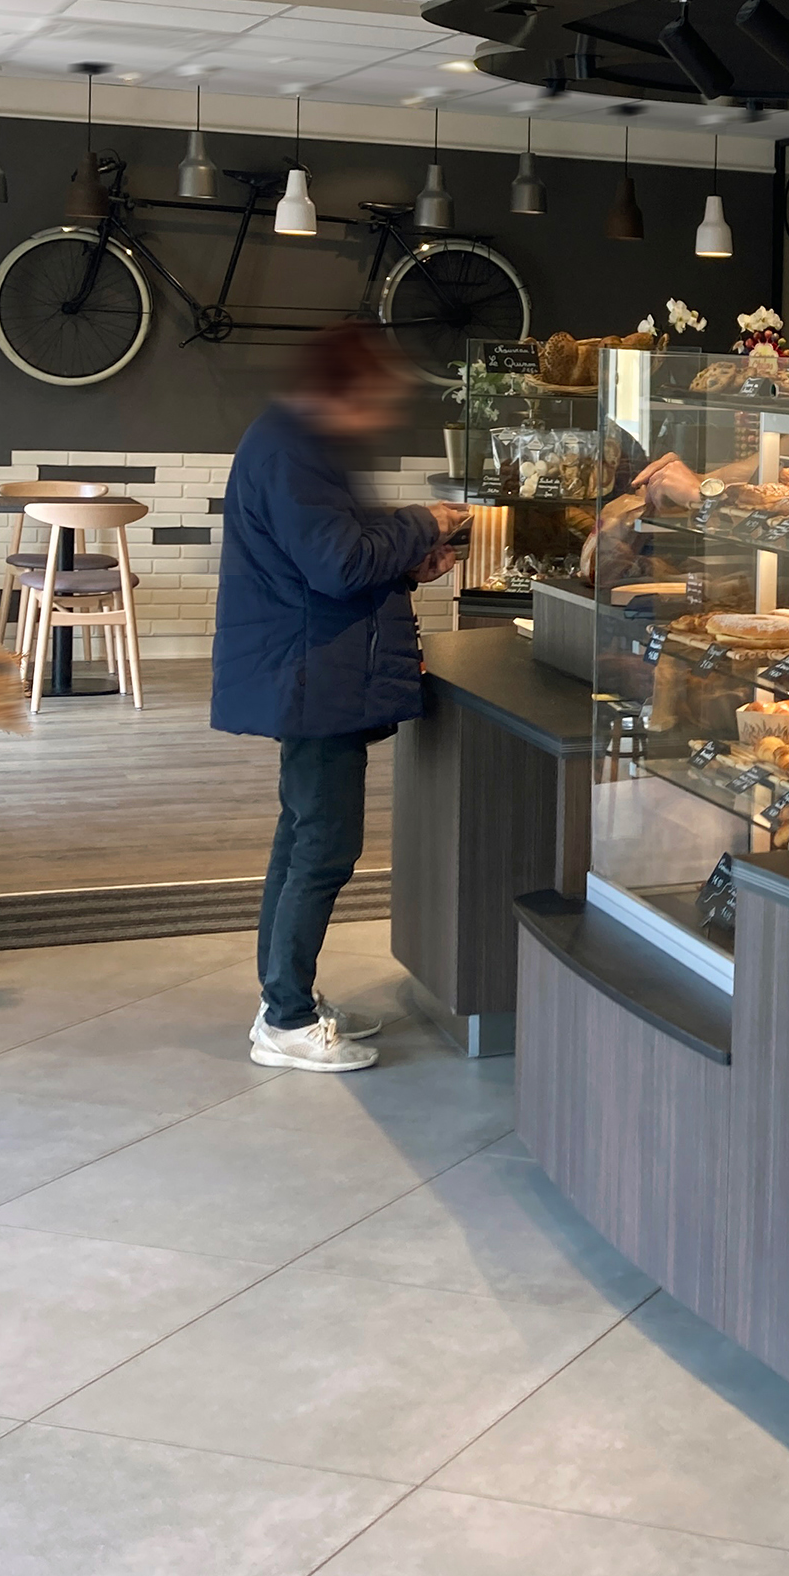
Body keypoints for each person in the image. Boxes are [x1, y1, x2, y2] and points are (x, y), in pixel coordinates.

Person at [212, 321, 470, 1072]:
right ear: (344, 387)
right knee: (324, 844)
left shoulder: (294, 440)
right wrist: (425, 520)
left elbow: (335, 556)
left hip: (311, 672)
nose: (381, 415)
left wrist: (405, 564)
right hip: (310, 677)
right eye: (376, 398)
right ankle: (286, 1020)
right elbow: (337, 563)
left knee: (300, 836)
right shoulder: (293, 448)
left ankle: (283, 999)